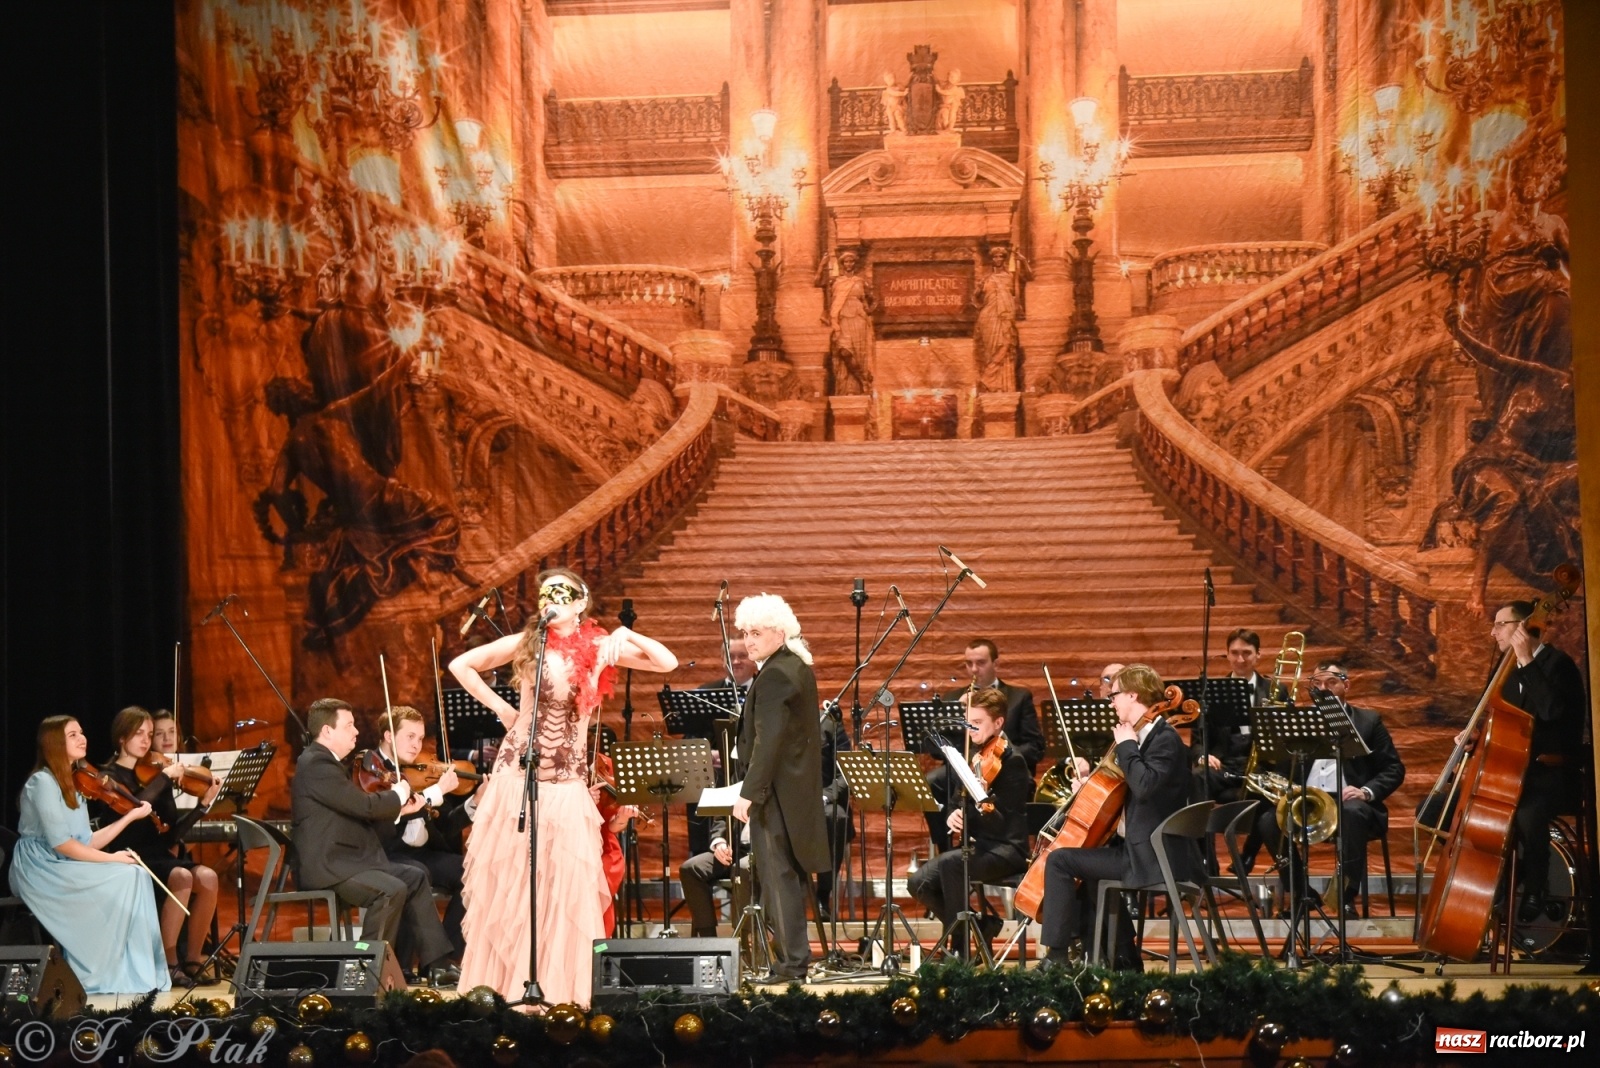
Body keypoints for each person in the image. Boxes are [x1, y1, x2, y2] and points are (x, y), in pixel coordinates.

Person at [448, 569, 677, 1005]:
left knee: (563, 885)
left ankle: (558, 992)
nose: (551, 600)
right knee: (517, 883)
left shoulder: (598, 646)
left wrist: (625, 633)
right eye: (546, 593)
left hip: (567, 781)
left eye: (562, 592)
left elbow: (664, 661)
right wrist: (502, 708)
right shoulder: (529, 643)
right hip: (521, 776)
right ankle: (505, 987)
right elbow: (462, 664)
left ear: (579, 602)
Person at [1038, 664, 1197, 969]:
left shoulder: (1164, 738)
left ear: (1133, 694)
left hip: (1154, 858)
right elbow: (1132, 789)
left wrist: (1126, 745)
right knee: (1090, 873)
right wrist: (1091, 787)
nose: (1110, 703)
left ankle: (1057, 958)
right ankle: (1123, 959)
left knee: (1059, 861)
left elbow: (1144, 785)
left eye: (1114, 695)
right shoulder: (1147, 736)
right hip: (1143, 850)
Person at [291, 698, 454, 982]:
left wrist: (399, 810)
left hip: (350, 860)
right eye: (350, 725)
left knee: (414, 877)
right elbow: (363, 807)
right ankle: (363, 971)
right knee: (389, 890)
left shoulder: (331, 763)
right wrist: (400, 793)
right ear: (327, 731)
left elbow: (360, 813)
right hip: (330, 865)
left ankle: (437, 964)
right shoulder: (316, 762)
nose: (356, 732)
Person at [10, 716, 168, 995]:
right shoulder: (42, 783)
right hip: (39, 867)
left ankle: (130, 971)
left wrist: (129, 817)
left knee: (136, 873)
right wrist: (113, 859)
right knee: (123, 875)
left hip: (63, 862)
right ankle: (97, 973)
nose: (82, 738)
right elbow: (63, 845)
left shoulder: (75, 784)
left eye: (81, 732)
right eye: (73, 735)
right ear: (55, 743)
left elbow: (86, 841)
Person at [1248, 662, 1405, 918]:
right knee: (1268, 821)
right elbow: (1282, 769)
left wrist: (1366, 791)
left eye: (1331, 682)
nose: (1323, 689)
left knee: (1352, 814)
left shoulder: (1368, 721)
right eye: (1317, 683)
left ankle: (1344, 897)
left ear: (1346, 685)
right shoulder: (1298, 722)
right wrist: (1280, 788)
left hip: (1350, 800)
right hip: (1308, 801)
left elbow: (1393, 768)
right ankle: (1302, 894)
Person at [730, 594, 830, 983]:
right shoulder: (795, 666)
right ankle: (791, 961)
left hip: (775, 796)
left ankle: (790, 965)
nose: (748, 641)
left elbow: (767, 739)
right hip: (792, 793)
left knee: (778, 880)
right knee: (780, 879)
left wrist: (748, 792)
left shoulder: (775, 674)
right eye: (745, 633)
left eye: (756, 632)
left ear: (779, 631)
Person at [90, 706, 224, 987]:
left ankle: (194, 959)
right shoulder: (108, 776)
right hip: (127, 856)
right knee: (182, 876)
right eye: (139, 733)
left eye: (149, 734)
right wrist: (164, 778)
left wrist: (202, 806)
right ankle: (168, 960)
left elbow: (170, 836)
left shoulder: (154, 776)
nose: (146, 740)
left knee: (209, 877)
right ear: (122, 737)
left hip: (158, 855)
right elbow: (135, 807)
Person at [1476, 600, 1588, 923]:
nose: (1493, 631)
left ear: (1523, 627)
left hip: (1552, 774)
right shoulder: (1504, 670)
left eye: (1501, 624)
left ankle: (1535, 887)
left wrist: (1526, 659)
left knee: (1525, 802)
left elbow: (1553, 712)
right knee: (1437, 806)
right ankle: (1489, 881)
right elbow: (1494, 722)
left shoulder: (1558, 665)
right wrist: (1475, 737)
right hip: (1510, 774)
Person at [909, 687, 1031, 958]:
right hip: (979, 848)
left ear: (998, 723)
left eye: (977, 723)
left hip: (1007, 850)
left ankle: (960, 950)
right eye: (967, 721)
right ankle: (979, 925)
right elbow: (955, 801)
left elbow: (1002, 823)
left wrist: (981, 798)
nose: (969, 728)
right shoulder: (973, 756)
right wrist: (953, 814)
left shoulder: (1013, 762)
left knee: (953, 865)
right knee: (918, 883)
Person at [371, 705, 473, 980]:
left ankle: (445, 957)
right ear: (389, 736)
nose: (417, 746)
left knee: (474, 871)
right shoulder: (373, 771)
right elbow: (385, 813)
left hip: (421, 854)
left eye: (420, 738)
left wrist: (474, 802)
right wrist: (436, 791)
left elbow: (444, 828)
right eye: (410, 737)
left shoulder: (419, 773)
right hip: (386, 853)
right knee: (417, 874)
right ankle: (412, 962)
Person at [926, 639, 1042, 853]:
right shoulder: (954, 698)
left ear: (995, 664)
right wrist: (962, 718)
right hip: (965, 765)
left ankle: (991, 848)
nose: (974, 669)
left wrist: (999, 754)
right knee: (932, 782)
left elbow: (1035, 747)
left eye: (980, 663)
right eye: (968, 663)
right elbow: (935, 749)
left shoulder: (1018, 697)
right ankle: (946, 847)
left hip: (1004, 767)